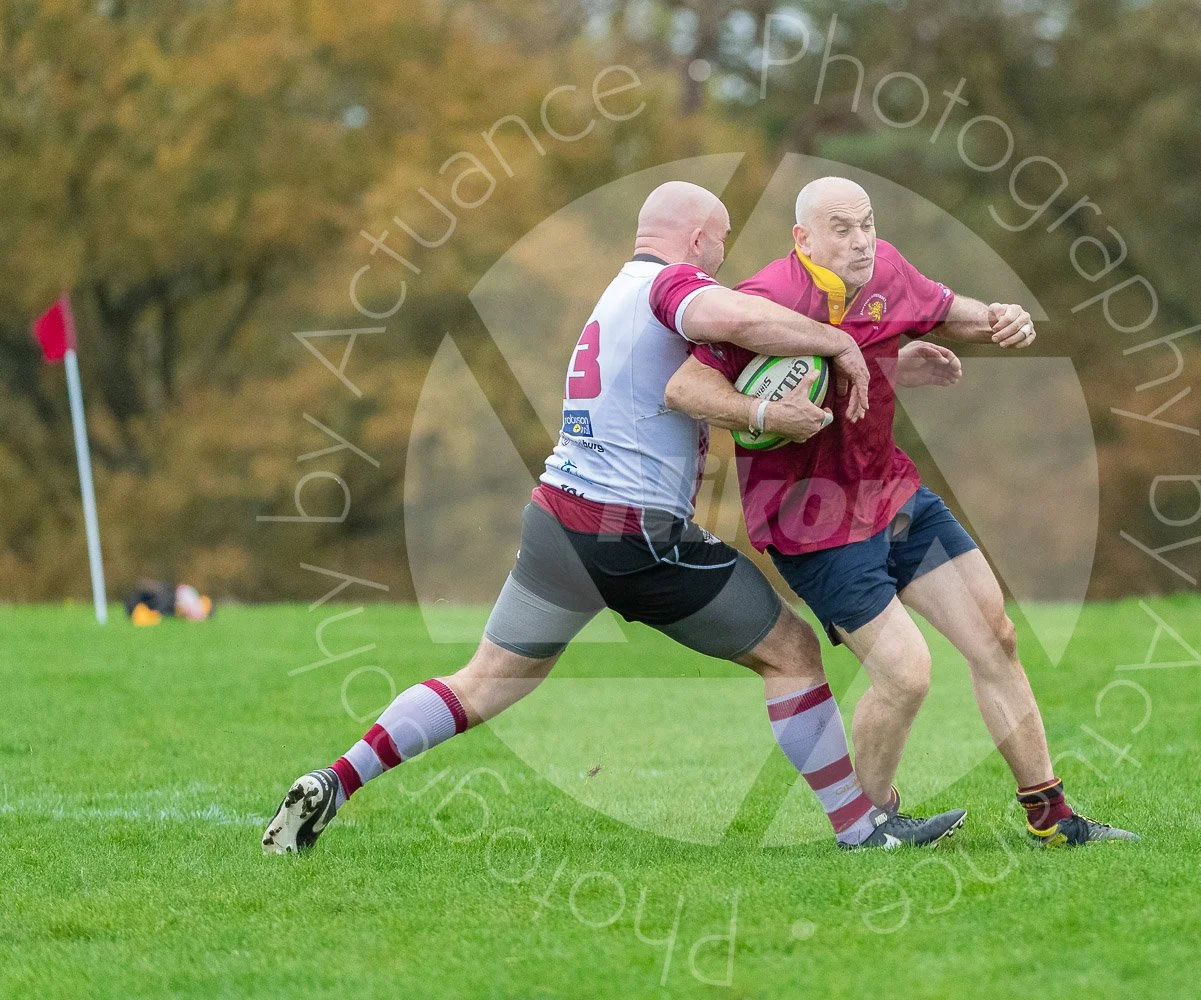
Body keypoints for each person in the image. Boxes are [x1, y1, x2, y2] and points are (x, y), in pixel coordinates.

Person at [262, 181, 967, 855]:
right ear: (698, 239)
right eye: (721, 241)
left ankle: (337, 778)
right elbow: (737, 319)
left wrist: (879, 358)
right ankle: (860, 830)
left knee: (485, 679)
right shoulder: (671, 284)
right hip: (634, 533)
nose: (723, 258)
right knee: (793, 651)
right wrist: (837, 342)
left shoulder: (615, 294)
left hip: (556, 519)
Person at [665, 177, 1139, 847]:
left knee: (996, 634)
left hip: (890, 494)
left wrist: (1000, 317)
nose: (861, 241)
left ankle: (1051, 816)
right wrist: (764, 413)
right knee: (906, 675)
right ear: (803, 239)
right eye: (842, 229)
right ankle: (871, 823)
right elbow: (685, 387)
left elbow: (946, 311)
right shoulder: (762, 300)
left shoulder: (884, 268)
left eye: (867, 224)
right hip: (812, 522)